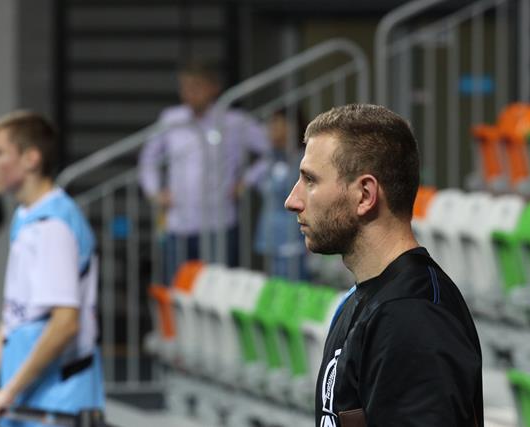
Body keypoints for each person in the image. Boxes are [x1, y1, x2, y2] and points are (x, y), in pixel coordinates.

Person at [284, 104, 483, 426]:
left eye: (310, 180)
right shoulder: (369, 299)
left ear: (365, 195)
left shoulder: (412, 314)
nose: (292, 200)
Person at [0, 112, 104, 425]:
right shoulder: (26, 217)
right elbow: (12, 320)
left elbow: (65, 323)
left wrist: (8, 392)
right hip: (24, 398)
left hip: (55, 403)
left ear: (31, 159)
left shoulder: (53, 226)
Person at [138, 59, 269, 281]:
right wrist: (154, 192)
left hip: (219, 224)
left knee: (217, 291)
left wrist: (247, 181)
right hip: (178, 224)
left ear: (213, 88)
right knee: (176, 291)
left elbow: (272, 150)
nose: (190, 93)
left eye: (196, 86)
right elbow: (148, 158)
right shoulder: (172, 118)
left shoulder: (234, 121)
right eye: (185, 87)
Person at [243, 108, 309, 280]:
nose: (270, 130)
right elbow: (245, 182)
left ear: (291, 127)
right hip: (272, 234)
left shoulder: (304, 158)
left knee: (294, 285)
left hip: (293, 236)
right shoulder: (270, 159)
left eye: (276, 124)